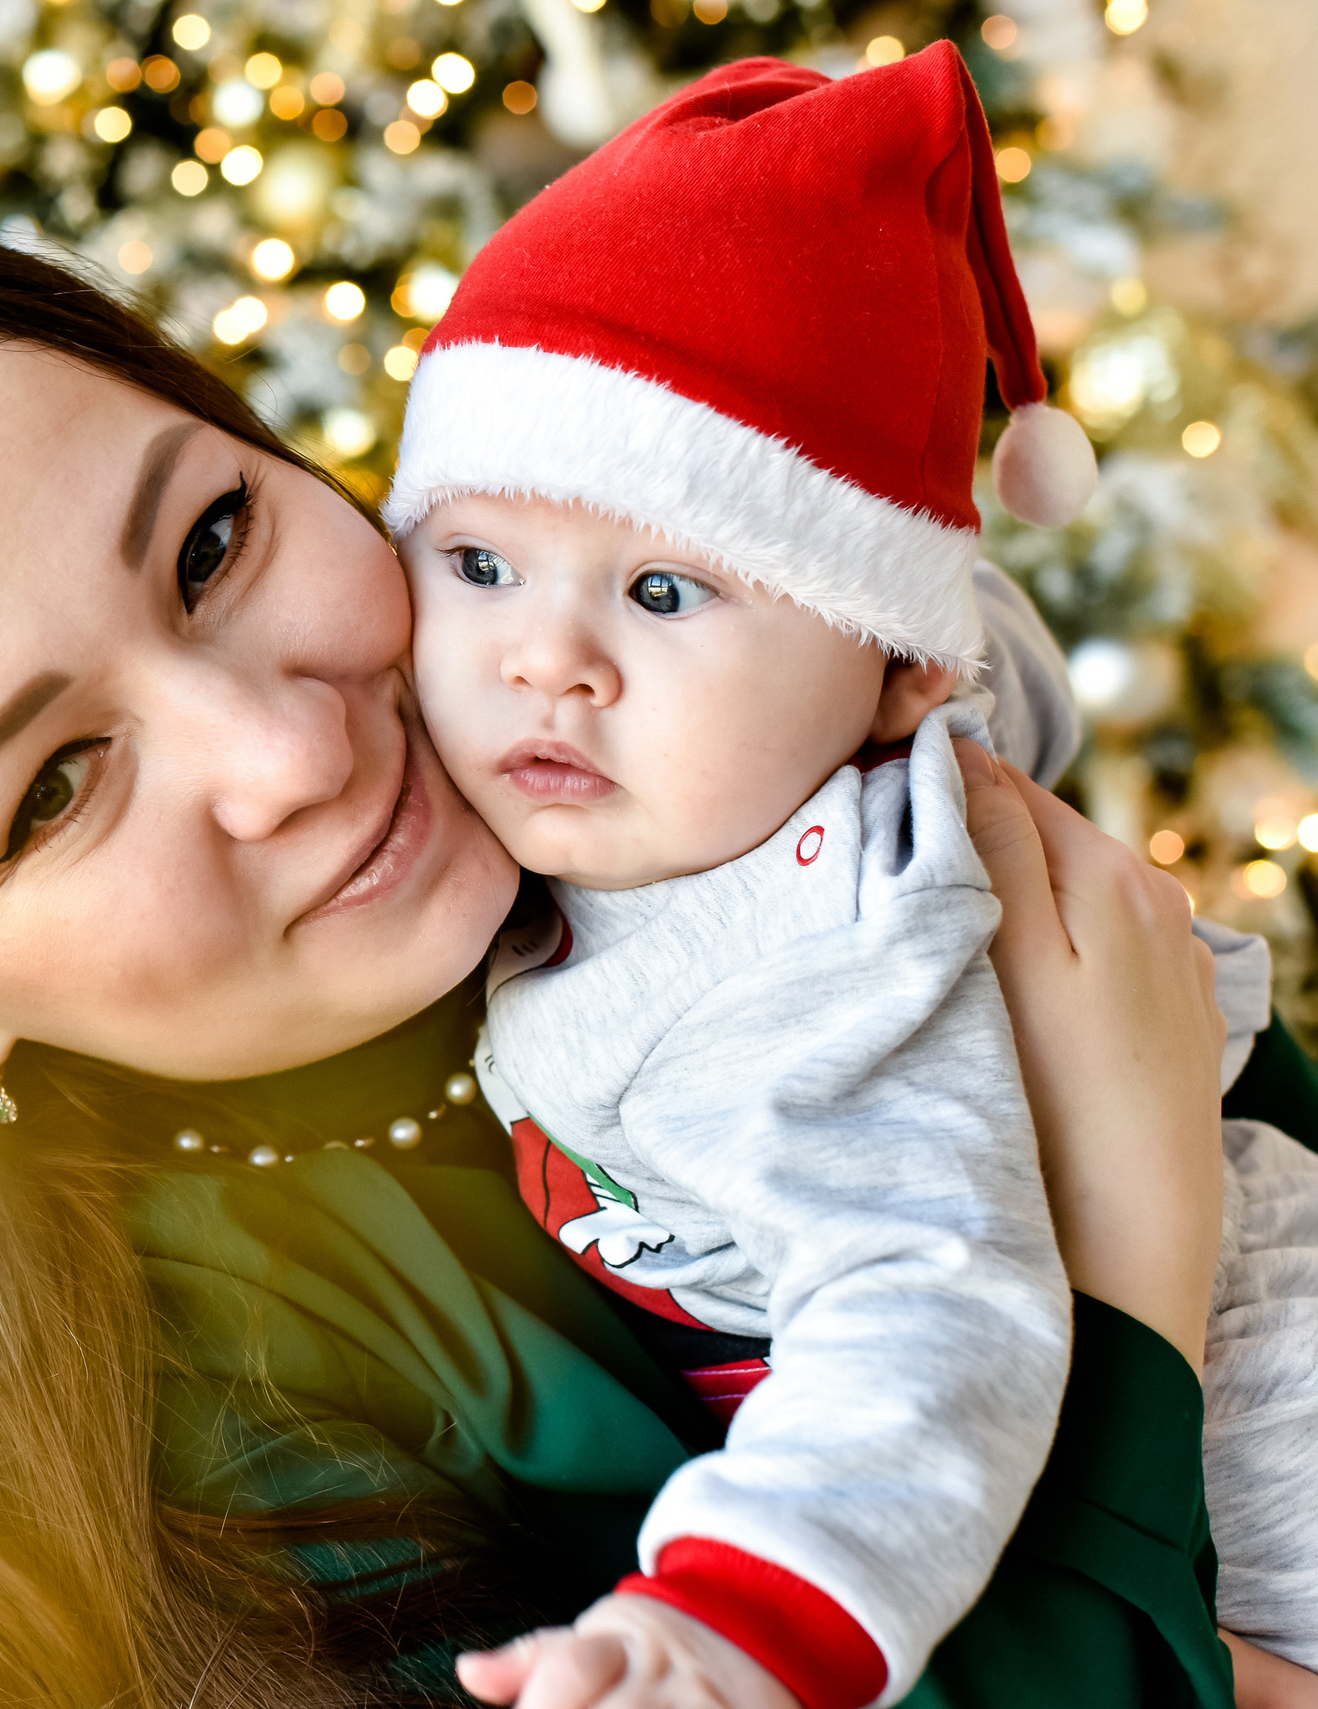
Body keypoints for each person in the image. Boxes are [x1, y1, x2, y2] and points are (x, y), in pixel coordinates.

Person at [0, 232, 1291, 1708]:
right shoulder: (111, 1499)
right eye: (54, 785)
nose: (283, 752)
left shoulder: (647, 763)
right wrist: (1132, 1257)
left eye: (213, 543)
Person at [381, 49, 1318, 1707]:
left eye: (666, 592)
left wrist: (741, 1624)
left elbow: (927, 1296)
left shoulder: (814, 952)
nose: (548, 660)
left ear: (897, 679)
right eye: (476, 563)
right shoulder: (741, 790)